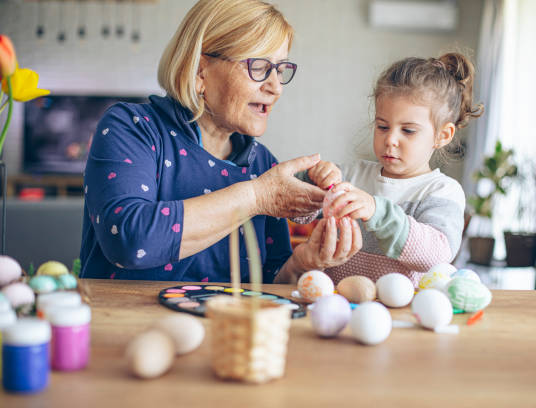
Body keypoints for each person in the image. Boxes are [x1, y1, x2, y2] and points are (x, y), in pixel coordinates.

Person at [79, 0, 361, 283]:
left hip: (227, 327)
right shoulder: (133, 127)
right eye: (259, 67)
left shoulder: (263, 164)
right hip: (129, 324)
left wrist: (301, 264)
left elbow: (266, 285)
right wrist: (257, 197)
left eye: (280, 69)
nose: (275, 87)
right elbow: (130, 242)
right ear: (201, 71)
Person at [300, 53, 483, 286]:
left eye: (408, 131)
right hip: (341, 307)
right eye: (382, 127)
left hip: (406, 314)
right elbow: (294, 208)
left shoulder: (442, 191)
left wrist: (377, 212)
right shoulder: (352, 176)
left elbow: (436, 255)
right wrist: (314, 177)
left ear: (442, 135)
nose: (390, 140)